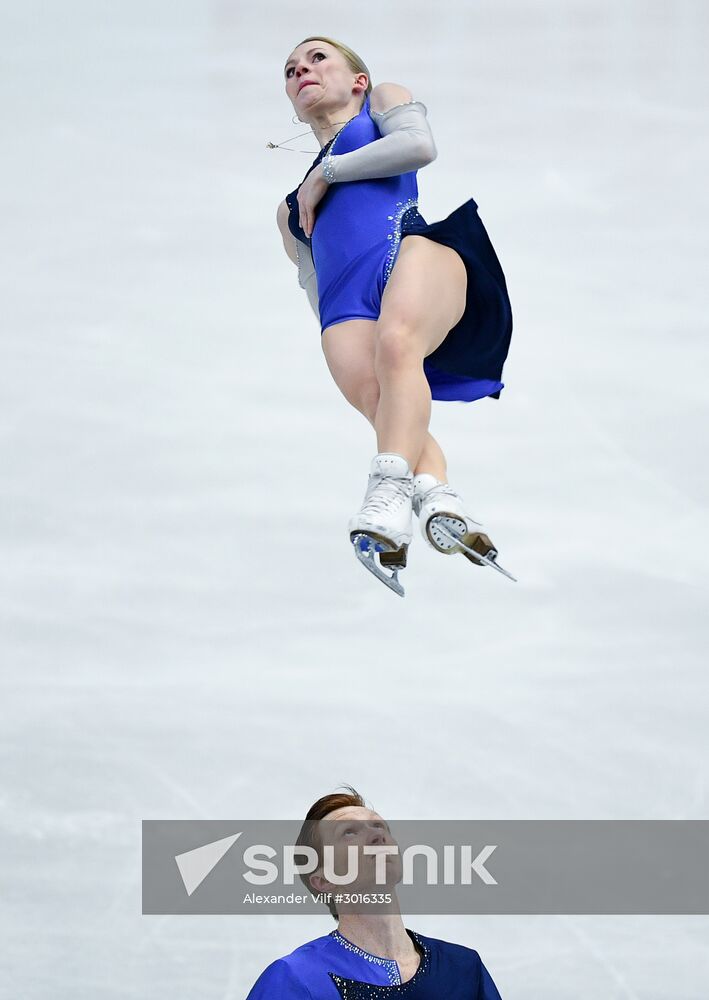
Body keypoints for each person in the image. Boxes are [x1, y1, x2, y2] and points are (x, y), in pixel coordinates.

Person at [275, 37, 514, 586]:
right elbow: (315, 277)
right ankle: (437, 496)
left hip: (415, 254)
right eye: (290, 70)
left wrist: (326, 174)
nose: (301, 70)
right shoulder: (289, 212)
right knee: (379, 395)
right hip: (344, 301)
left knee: (397, 343)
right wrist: (340, 338)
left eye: (317, 58)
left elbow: (418, 146)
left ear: (357, 80)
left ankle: (384, 493)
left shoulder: (381, 101)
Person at [245, 787, 504, 998]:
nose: (377, 836)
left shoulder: (462, 968)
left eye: (379, 826)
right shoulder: (297, 979)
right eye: (349, 833)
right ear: (322, 880)